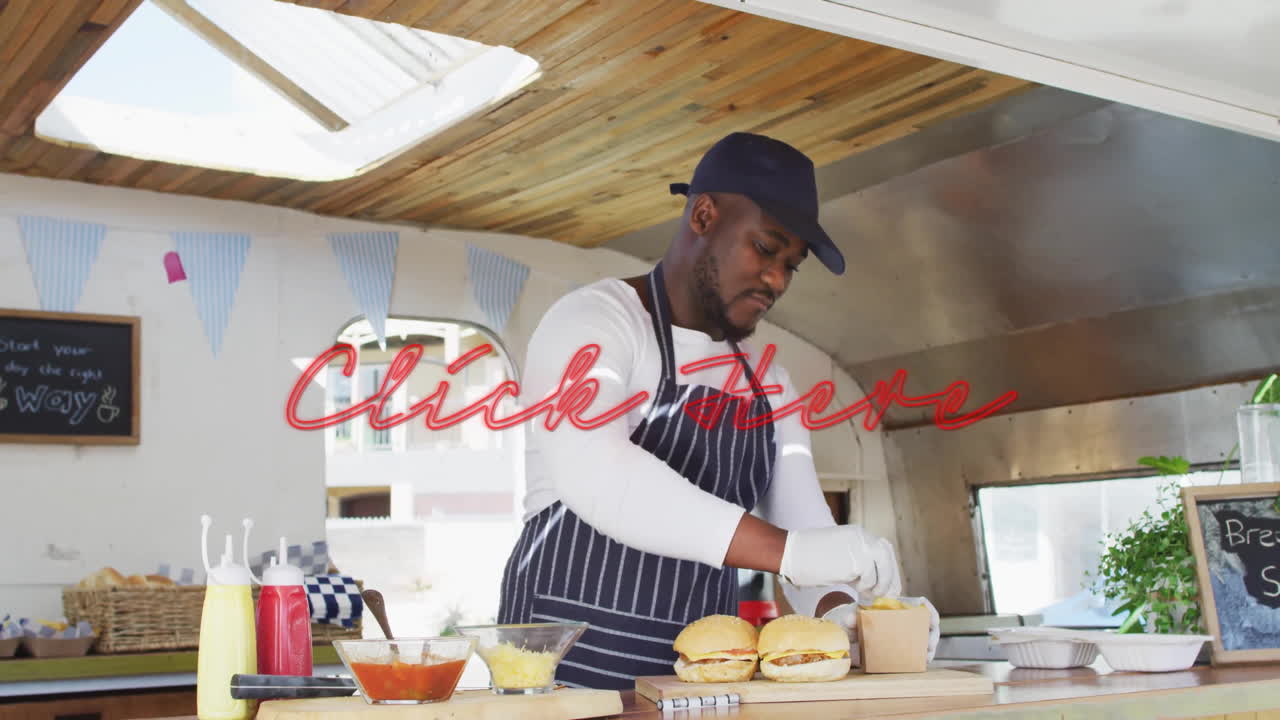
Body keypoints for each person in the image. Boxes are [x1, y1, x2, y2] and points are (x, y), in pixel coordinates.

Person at [497, 132, 938, 689]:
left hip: (698, 686)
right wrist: (791, 552)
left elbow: (804, 532)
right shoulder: (593, 323)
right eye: (765, 248)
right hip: (561, 678)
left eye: (792, 266)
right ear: (704, 215)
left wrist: (843, 613)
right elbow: (601, 476)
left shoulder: (769, 383)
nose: (777, 279)